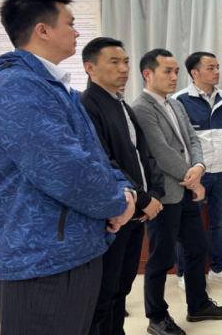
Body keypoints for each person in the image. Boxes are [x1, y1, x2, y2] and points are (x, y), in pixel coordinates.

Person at [0, 0, 136, 335]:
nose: (77, 32)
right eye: (70, 23)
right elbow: (63, 168)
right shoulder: (16, 86)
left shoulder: (53, 86)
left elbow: (92, 154)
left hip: (73, 245)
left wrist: (124, 190)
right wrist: (117, 203)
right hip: (43, 255)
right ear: (43, 30)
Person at [132, 49, 222, 335]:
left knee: (197, 249)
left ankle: (198, 305)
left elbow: (192, 139)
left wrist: (199, 167)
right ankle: (156, 318)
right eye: (167, 71)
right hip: (165, 196)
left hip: (187, 191)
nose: (174, 76)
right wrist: (193, 180)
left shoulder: (175, 103)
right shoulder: (142, 107)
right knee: (161, 259)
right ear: (148, 74)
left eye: (176, 71)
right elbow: (161, 152)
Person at [81, 37, 166, 335]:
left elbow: (144, 154)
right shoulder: (87, 106)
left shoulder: (121, 104)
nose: (124, 68)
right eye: (114, 62)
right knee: (104, 294)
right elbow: (103, 161)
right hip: (116, 213)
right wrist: (142, 199)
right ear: (90, 68)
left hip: (137, 210)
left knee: (122, 287)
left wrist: (154, 194)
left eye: (126, 61)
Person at [173, 52, 222, 289]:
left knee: (220, 222)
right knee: (187, 224)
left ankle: (218, 268)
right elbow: (177, 142)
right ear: (194, 73)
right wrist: (186, 172)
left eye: (217, 67)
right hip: (195, 174)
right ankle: (185, 272)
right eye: (210, 68)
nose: (217, 72)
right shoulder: (179, 101)